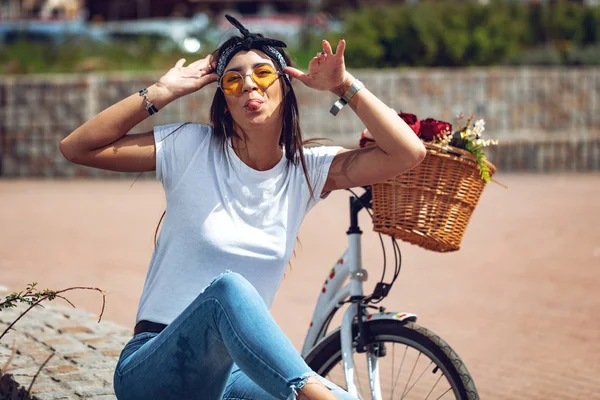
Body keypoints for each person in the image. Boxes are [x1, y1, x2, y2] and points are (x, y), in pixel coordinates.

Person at [59, 15, 426, 400]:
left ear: (285, 87)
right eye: (233, 79)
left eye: (263, 73)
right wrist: (162, 92)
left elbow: (409, 153)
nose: (249, 83)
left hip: (233, 375)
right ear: (225, 101)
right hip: (156, 368)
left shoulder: (307, 170)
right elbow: (77, 147)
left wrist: (343, 86)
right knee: (228, 290)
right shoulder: (190, 147)